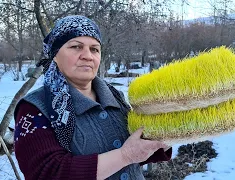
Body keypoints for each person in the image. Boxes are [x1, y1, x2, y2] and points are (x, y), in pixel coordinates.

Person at [14, 15, 172, 180]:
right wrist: (124, 156)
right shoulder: (34, 108)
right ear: (55, 54)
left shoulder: (114, 96)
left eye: (94, 49)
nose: (87, 56)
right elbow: (46, 173)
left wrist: (172, 133)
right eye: (76, 46)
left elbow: (137, 149)